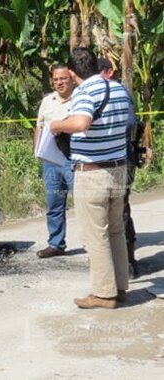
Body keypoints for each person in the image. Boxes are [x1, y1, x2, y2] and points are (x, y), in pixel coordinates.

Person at [51, 48, 131, 309]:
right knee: (116, 230)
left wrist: (58, 125)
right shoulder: (118, 88)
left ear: (73, 73)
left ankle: (103, 293)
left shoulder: (85, 92)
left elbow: (82, 123)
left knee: (95, 235)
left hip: (92, 173)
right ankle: (120, 287)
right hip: (118, 169)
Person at [98, 57, 139, 278]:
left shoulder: (119, 92)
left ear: (109, 72)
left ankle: (129, 263)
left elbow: (129, 124)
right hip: (106, 160)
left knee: (121, 209)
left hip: (121, 158)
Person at [33, 65, 76, 258]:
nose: (59, 82)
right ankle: (56, 244)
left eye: (63, 79)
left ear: (72, 79)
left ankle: (96, 246)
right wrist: (37, 151)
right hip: (51, 160)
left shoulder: (81, 99)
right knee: (54, 204)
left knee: (85, 203)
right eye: (56, 79)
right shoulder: (47, 101)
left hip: (74, 159)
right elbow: (40, 127)